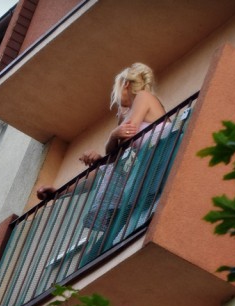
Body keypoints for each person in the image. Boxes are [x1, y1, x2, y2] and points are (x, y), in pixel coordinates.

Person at [36, 62, 166, 225]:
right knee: (109, 169)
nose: (117, 99)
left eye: (116, 90)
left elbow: (127, 134)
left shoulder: (143, 96)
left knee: (114, 168)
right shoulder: (133, 113)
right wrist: (59, 192)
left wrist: (115, 134)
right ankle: (61, 192)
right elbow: (111, 160)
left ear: (125, 84)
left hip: (163, 155)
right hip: (155, 164)